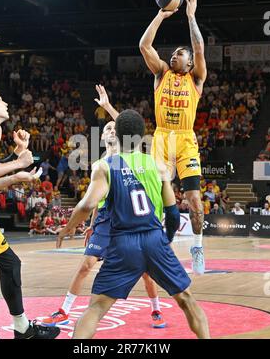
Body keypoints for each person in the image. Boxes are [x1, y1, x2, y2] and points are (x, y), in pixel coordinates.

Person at [57, 109, 210, 339]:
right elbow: (173, 214)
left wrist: (68, 227)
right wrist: (165, 239)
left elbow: (87, 206)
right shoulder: (158, 166)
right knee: (187, 300)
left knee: (96, 308)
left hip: (122, 243)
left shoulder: (105, 166)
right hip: (153, 237)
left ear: (117, 135)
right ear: (142, 136)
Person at [99, 0, 207, 274]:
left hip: (185, 139)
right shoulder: (161, 73)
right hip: (162, 137)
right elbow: (144, 45)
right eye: (173, 54)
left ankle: (197, 246)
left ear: (190, 64)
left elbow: (198, 47)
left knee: (194, 199)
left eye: (179, 55)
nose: (174, 56)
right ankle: (156, 242)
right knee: (159, 196)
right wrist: (161, 14)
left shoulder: (196, 79)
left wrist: (190, 16)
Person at [41, 120, 168, 329]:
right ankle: (63, 311)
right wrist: (92, 225)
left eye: (114, 128)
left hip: (128, 219)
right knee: (85, 266)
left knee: (145, 272)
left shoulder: (131, 159)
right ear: (101, 137)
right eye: (106, 128)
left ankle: (156, 309)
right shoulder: (99, 164)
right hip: (105, 222)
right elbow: (96, 203)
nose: (110, 130)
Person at [0, 90, 60, 339]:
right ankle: (22, 328)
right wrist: (19, 164)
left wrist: (16, 156)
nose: (7, 102)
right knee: (11, 264)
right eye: (1, 99)